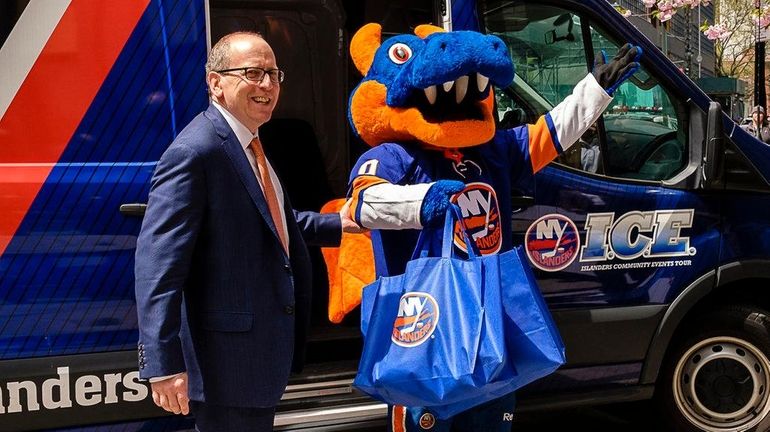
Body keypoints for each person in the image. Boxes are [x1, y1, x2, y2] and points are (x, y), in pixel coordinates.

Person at [134, 31, 358, 432]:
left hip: (254, 360)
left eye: (273, 74)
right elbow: (158, 269)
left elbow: (274, 223)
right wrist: (163, 364)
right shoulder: (196, 151)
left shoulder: (248, 144)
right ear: (215, 82)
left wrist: (342, 224)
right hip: (226, 365)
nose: (268, 85)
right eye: (253, 73)